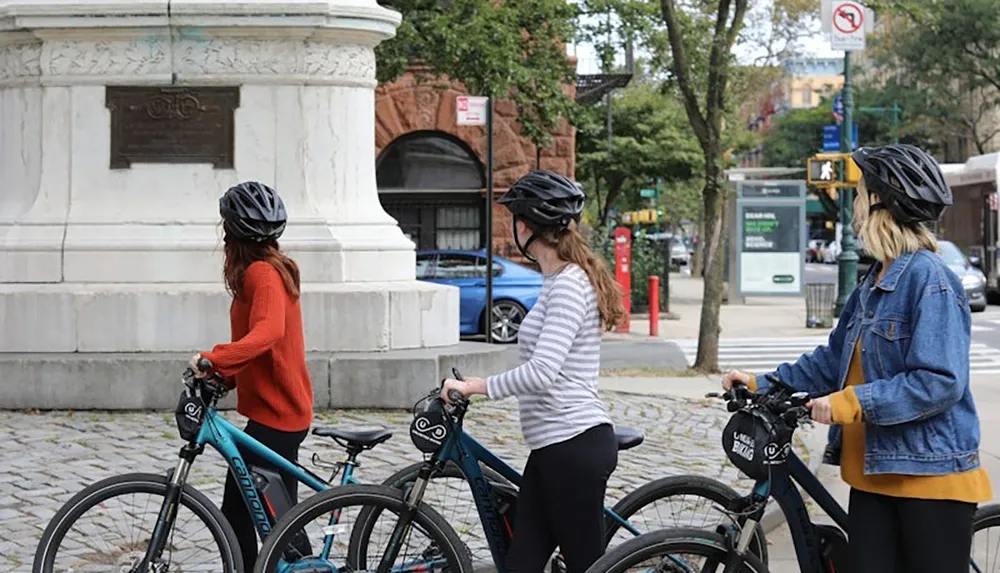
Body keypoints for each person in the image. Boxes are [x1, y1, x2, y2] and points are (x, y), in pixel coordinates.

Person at [723, 144, 991, 573]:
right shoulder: (875, 278)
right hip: (873, 474)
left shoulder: (930, 279)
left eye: (861, 192)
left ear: (882, 202)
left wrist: (849, 404)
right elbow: (833, 361)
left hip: (929, 480)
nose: (855, 204)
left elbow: (939, 381)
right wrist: (762, 382)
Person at [440, 170, 626, 573]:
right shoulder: (557, 281)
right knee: (521, 563)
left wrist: (477, 386)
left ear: (525, 226)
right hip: (552, 448)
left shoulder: (569, 286)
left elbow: (542, 371)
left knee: (585, 566)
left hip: (574, 445)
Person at [190, 181, 313, 570]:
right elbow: (260, 347)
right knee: (271, 515)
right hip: (278, 412)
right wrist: (224, 377)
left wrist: (214, 359)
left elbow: (267, 333)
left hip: (278, 415)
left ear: (230, 232)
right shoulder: (267, 270)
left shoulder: (262, 273)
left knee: (247, 514)